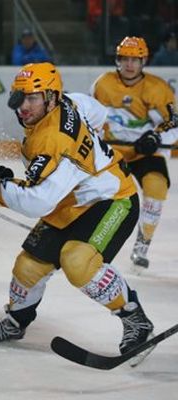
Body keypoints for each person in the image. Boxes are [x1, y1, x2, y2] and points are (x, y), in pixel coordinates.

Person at [0, 62, 154, 365]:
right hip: (72, 201)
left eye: (33, 98)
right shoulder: (70, 101)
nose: (24, 106)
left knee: (77, 262)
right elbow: (98, 113)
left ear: (51, 97)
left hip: (112, 199)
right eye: (21, 96)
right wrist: (92, 146)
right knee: (27, 267)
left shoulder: (55, 140)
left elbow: (38, 202)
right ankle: (16, 323)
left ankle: (135, 318)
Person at [91, 36, 178, 270]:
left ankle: (142, 245)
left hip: (145, 152)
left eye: (135, 60)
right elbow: (91, 119)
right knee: (101, 195)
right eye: (125, 59)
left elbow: (174, 122)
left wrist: (156, 138)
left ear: (144, 61)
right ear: (118, 60)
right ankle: (90, 243)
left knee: (156, 188)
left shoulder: (158, 88)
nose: (130, 64)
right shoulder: (103, 84)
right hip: (113, 151)